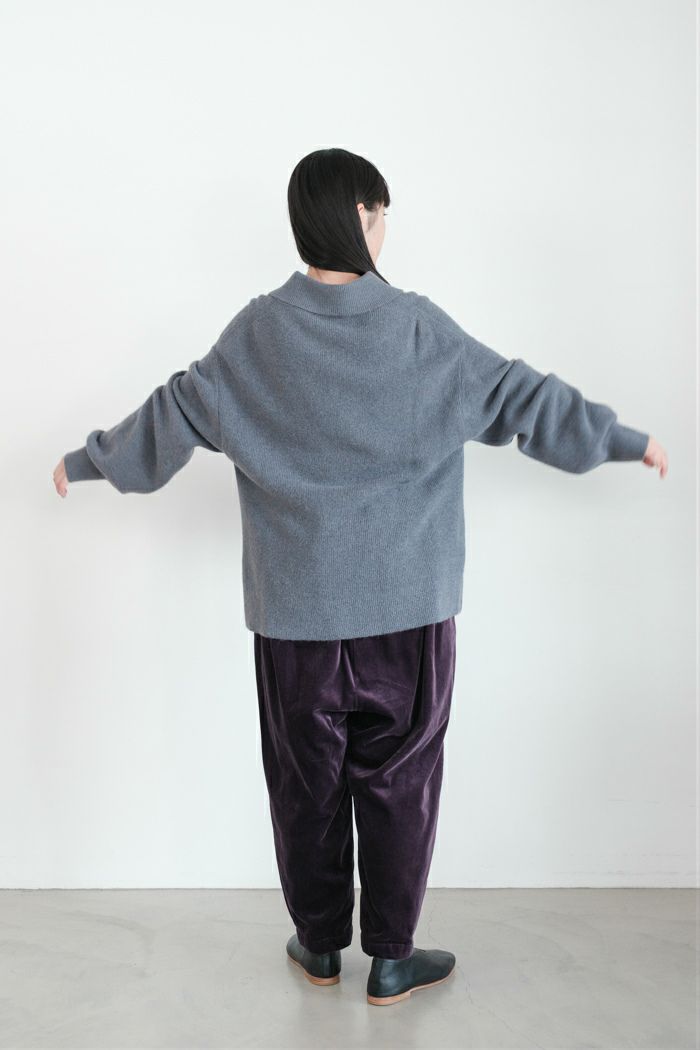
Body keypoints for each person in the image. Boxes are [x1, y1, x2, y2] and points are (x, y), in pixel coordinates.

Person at [54, 147, 668, 1007]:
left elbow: (176, 411)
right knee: (400, 785)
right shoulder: (416, 329)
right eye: (382, 214)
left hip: (294, 621)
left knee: (304, 785)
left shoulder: (256, 334)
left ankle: (317, 946)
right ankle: (390, 959)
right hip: (407, 618)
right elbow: (519, 397)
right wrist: (622, 441)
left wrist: (89, 461)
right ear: (363, 218)